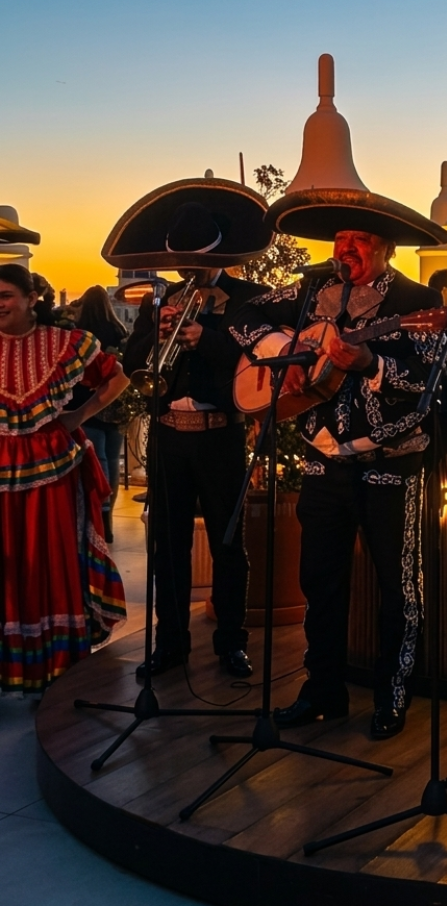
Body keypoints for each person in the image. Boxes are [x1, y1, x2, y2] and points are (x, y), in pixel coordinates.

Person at [230, 217, 445, 740]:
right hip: (321, 460)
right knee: (319, 582)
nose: (347, 247)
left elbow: (427, 386)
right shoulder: (309, 289)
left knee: (400, 587)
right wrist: (283, 349)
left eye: (361, 239)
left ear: (387, 248)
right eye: (341, 237)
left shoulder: (418, 303)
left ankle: (393, 692)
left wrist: (370, 362)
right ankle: (322, 688)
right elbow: (241, 314)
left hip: (390, 461)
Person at [122, 202, 269, 680]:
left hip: (218, 434)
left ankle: (231, 642)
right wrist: (158, 333)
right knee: (168, 546)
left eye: (196, 265)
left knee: (229, 546)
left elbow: (254, 360)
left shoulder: (251, 298)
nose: (187, 273)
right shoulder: (158, 299)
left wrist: (202, 336)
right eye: (181, 265)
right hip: (169, 435)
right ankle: (170, 643)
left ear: (215, 258)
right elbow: (132, 361)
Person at [0, 263, 129, 694]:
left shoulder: (65, 343)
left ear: (31, 297)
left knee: (49, 557)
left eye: (5, 295)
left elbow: (116, 377)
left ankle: (56, 663)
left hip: (52, 467)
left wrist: (78, 415)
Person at [73, 285, 129, 542]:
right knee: (112, 461)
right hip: (115, 404)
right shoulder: (118, 330)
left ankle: (100, 517)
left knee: (98, 460)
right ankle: (109, 518)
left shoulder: (80, 335)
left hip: (89, 403)